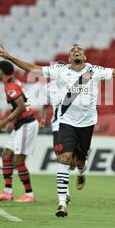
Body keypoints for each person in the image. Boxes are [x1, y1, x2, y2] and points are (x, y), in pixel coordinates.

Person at [0, 43, 115, 217]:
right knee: (64, 158)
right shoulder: (60, 71)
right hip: (66, 121)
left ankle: (82, 172)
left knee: (80, 161)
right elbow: (33, 68)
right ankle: (62, 203)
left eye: (79, 50)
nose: (76, 51)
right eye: (72, 50)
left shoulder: (94, 71)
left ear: (85, 57)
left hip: (87, 123)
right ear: (69, 58)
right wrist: (10, 57)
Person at [0, 60, 39, 203]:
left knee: (19, 161)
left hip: (27, 124)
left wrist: (5, 121)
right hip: (20, 124)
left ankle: (29, 194)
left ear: (2, 71)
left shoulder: (11, 85)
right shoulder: (11, 83)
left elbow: (21, 107)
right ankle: (7, 192)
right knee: (6, 155)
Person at [40, 71, 75, 204]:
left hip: (73, 125)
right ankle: (65, 192)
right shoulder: (49, 87)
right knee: (60, 157)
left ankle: (79, 165)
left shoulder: (74, 85)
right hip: (57, 126)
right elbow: (45, 105)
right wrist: (43, 119)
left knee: (73, 162)